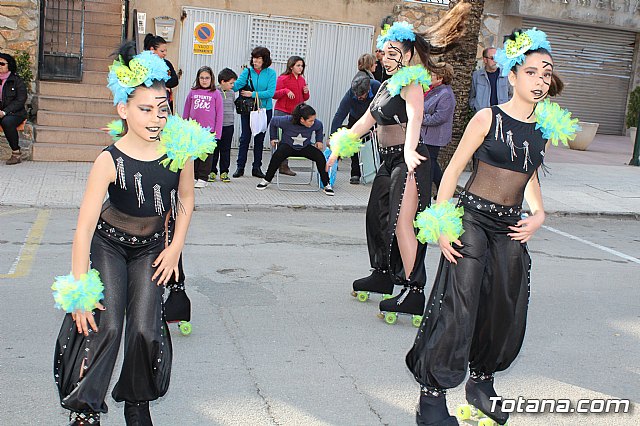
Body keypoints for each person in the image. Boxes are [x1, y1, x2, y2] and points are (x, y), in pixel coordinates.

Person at [406, 28, 577, 425]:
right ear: (512, 76)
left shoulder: (546, 126)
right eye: (531, 72)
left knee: (505, 303)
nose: (540, 80)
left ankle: (481, 384)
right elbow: (450, 173)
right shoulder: (487, 117)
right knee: (460, 301)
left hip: (510, 224)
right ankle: (432, 396)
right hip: (471, 217)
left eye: (546, 73)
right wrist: (442, 226)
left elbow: (528, 173)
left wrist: (539, 213)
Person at [52, 41, 214, 425]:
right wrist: (79, 293)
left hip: (152, 248)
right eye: (145, 109)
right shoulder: (108, 160)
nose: (156, 118)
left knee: (145, 326)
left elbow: (187, 199)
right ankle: (86, 409)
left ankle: (137, 402)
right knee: (104, 323)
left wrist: (175, 248)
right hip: (109, 245)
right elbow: (83, 229)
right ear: (124, 109)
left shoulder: (181, 149)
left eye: (163, 108)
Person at [327, 4, 470, 324]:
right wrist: (337, 148)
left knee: (404, 224)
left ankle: (414, 291)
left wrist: (408, 150)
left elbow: (417, 116)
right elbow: (365, 121)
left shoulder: (411, 81)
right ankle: (383, 274)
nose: (386, 56)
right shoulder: (385, 86)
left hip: (411, 159)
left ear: (406, 56)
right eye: (384, 51)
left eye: (393, 51)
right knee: (377, 218)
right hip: (389, 160)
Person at [256, 103, 333, 195]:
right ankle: (266, 179)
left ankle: (326, 184)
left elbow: (319, 126)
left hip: (305, 147)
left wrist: (319, 140)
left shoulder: (315, 124)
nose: (313, 123)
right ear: (302, 119)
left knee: (320, 157)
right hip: (288, 146)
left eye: (314, 120)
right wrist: (273, 138)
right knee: (277, 156)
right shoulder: (287, 120)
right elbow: (273, 121)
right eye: (310, 121)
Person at [232, 46, 277, 179]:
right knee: (245, 137)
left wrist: (253, 94)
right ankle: (240, 167)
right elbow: (237, 85)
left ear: (265, 60)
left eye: (258, 58)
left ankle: (256, 167)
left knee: (259, 138)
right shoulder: (247, 72)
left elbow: (270, 93)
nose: (255, 61)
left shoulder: (271, 73)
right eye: (254, 58)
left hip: (264, 110)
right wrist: (225, 83)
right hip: (248, 109)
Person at [329, 74, 381, 184]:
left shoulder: (376, 87)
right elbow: (340, 115)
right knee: (353, 143)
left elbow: (384, 106)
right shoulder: (350, 94)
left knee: (375, 146)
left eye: (361, 95)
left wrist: (381, 124)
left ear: (368, 90)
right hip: (356, 118)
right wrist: (332, 137)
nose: (358, 98)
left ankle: (376, 172)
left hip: (374, 117)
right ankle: (355, 173)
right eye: (356, 95)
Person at [182, 66, 223, 188]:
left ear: (211, 79)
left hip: (208, 132)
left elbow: (219, 114)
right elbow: (186, 111)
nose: (204, 80)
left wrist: (217, 133)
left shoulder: (216, 94)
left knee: (206, 155)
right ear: (198, 78)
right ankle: (194, 176)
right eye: (201, 78)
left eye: (207, 78)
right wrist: (185, 127)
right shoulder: (192, 92)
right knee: (194, 155)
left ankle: (203, 177)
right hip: (194, 130)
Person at [272, 55, 310, 177]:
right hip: (282, 111)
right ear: (291, 66)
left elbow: (305, 98)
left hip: (295, 113)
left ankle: (284, 165)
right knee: (279, 139)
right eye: (298, 65)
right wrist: (285, 91)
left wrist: (306, 92)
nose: (300, 68)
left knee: (289, 139)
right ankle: (278, 163)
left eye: (302, 66)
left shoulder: (302, 80)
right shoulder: (283, 79)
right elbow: (275, 94)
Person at [421, 63, 456, 192]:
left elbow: (440, 117)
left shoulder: (445, 94)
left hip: (434, 136)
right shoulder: (432, 90)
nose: (429, 76)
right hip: (426, 135)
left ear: (440, 78)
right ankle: (442, 190)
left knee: (431, 165)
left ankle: (442, 191)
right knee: (431, 164)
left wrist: (419, 119)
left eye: (432, 74)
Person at [210, 68, 238, 183]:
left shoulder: (232, 93)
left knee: (226, 149)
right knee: (214, 149)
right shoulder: (214, 92)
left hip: (229, 125)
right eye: (231, 83)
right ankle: (212, 171)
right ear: (222, 82)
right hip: (216, 126)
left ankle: (224, 171)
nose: (232, 85)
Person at [0, 52, 28, 165]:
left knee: (7, 122)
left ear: (9, 65)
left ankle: (16, 153)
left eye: (2, 63)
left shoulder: (17, 81)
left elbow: (20, 100)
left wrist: (4, 112)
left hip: (15, 113)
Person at [469, 47, 511, 113]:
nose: (496, 61)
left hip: (502, 115)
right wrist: (476, 108)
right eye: (492, 58)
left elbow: (511, 95)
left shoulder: (505, 75)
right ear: (485, 60)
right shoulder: (477, 76)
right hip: (483, 116)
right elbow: (472, 96)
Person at [144, 33, 179, 113]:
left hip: (165, 101)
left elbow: (174, 80)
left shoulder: (167, 64)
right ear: (152, 49)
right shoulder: (144, 63)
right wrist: (161, 85)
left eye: (166, 51)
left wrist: (162, 84)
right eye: (162, 51)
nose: (165, 53)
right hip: (149, 100)